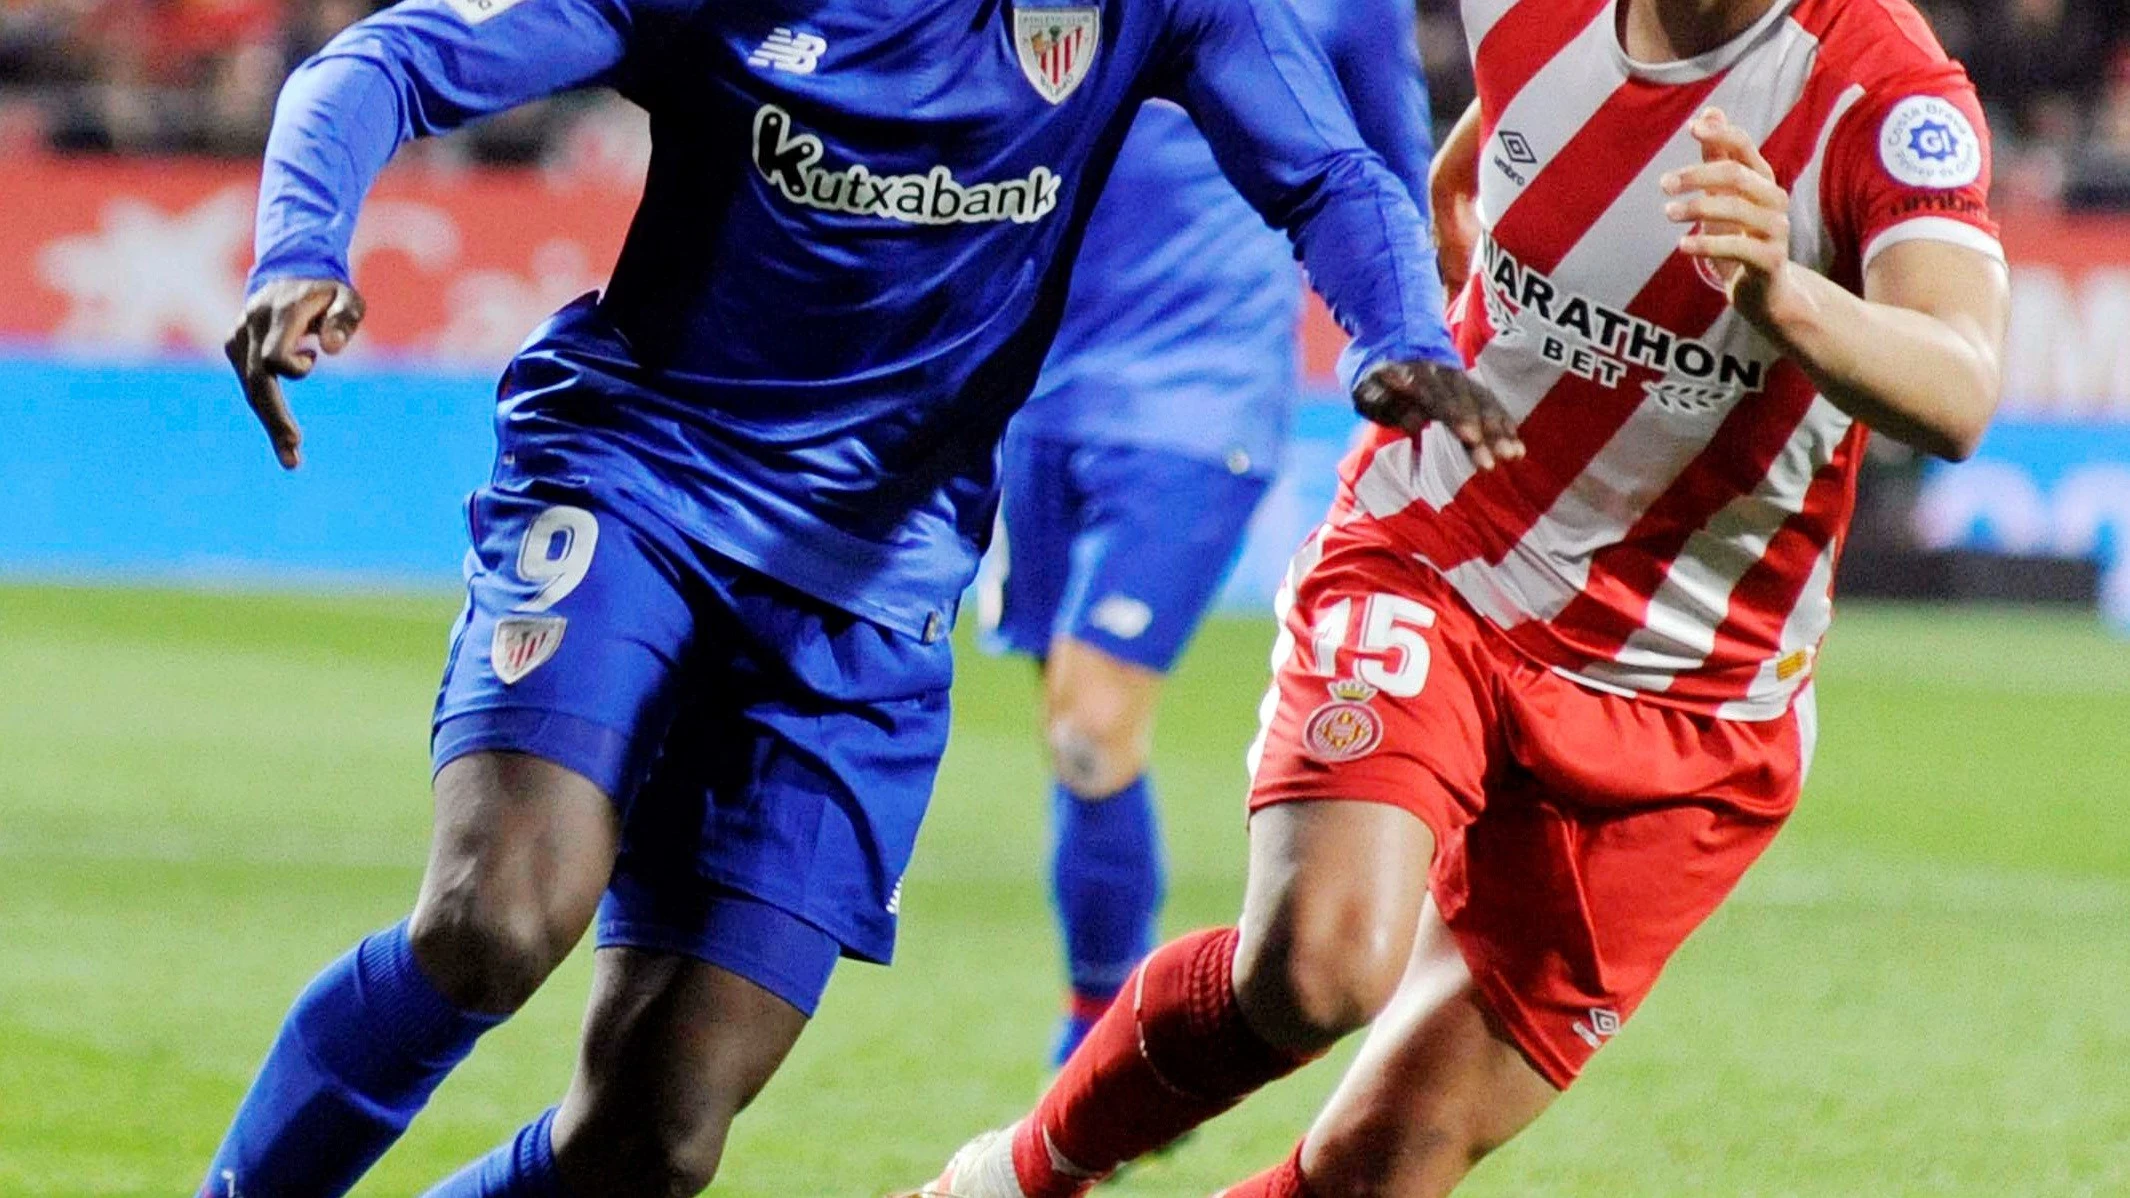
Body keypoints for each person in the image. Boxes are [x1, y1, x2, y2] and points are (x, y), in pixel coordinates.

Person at [193, 0, 1525, 1190]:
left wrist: (1399, 337)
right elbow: (384, 61)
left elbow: (1331, 173)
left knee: (656, 1136)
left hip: (872, 590)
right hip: (638, 490)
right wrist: (299, 244)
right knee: (495, 918)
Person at [906, 0, 2010, 1194]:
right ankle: (1004, 1183)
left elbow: (1955, 385)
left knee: (1388, 1158)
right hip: (1444, 554)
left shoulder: (1886, 93)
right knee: (1320, 965)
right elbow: (1531, 91)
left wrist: (1783, 291)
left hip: (1693, 690)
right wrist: (1455, 162)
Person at [980, 0, 1436, 1068]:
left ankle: (1096, 1038)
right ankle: (1099, 995)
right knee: (1068, 723)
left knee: (1092, 721)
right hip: (1032, 396)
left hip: (1201, 403)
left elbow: (1392, 180)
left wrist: (1423, 350)